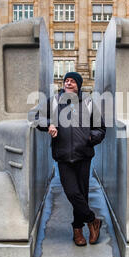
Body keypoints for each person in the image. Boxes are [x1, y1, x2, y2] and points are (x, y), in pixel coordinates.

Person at [35, 72, 106, 247]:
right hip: (63, 155)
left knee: (81, 194)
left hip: (84, 155)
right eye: (66, 81)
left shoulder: (88, 102)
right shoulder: (53, 101)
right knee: (72, 193)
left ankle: (77, 230)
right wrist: (49, 125)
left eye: (72, 81)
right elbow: (37, 118)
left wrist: (90, 138)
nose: (68, 83)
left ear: (79, 85)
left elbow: (100, 128)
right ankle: (92, 220)